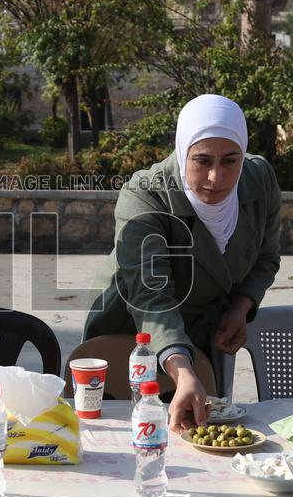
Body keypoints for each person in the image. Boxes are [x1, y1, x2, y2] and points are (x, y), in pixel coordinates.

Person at [83, 93, 281, 433]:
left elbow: (266, 257)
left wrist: (240, 305)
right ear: (182, 149)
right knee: (133, 434)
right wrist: (183, 369)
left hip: (206, 333)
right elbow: (150, 297)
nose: (216, 178)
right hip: (133, 336)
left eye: (231, 160)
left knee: (197, 431)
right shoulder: (146, 195)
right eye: (202, 161)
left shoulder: (259, 180)